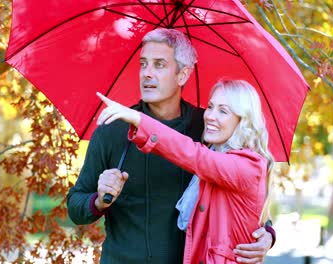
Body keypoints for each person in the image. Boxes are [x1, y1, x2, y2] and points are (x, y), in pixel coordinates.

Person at [66, 28, 274, 264]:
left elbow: (241, 193)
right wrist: (99, 200)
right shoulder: (111, 129)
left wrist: (266, 233)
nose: (147, 73)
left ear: (183, 74)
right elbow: (75, 206)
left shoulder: (207, 129)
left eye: (159, 65)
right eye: (143, 64)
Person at [96, 79, 274, 263]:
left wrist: (138, 119)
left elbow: (194, 154)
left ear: (243, 120)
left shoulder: (248, 165)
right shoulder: (216, 154)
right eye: (210, 106)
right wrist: (269, 233)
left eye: (223, 111)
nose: (210, 116)